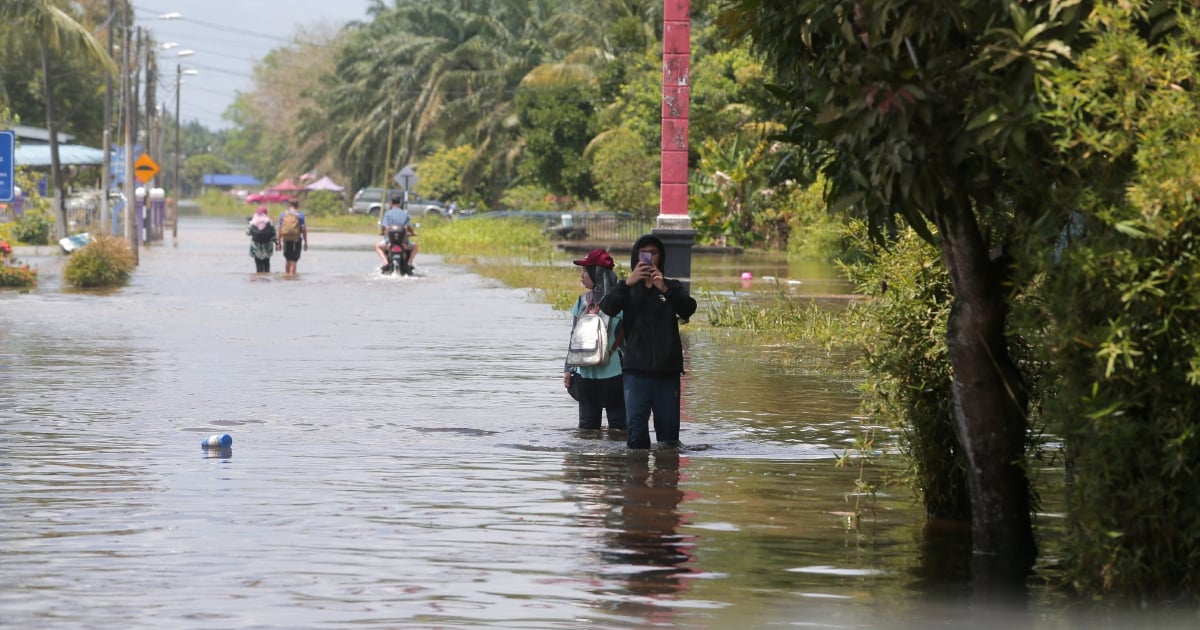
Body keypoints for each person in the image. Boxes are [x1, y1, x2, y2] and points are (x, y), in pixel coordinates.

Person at [599, 235, 697, 449]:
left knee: (669, 439)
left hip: (667, 373)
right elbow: (607, 307)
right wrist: (626, 283)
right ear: (636, 257)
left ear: (661, 256)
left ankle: (666, 477)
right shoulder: (628, 288)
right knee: (636, 437)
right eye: (645, 253)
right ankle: (636, 480)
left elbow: (688, 309)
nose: (649, 258)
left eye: (654, 253)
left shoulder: (672, 286)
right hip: (636, 372)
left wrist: (665, 289)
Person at [563, 249, 626, 432]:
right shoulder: (582, 301)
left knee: (619, 429)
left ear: (596, 273)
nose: (582, 277)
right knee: (587, 429)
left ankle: (615, 461)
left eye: (585, 271)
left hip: (616, 374)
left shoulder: (621, 300)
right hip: (585, 373)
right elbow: (574, 336)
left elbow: (629, 339)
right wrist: (568, 369)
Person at [376, 194, 418, 271]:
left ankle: (385, 262)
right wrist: (413, 233)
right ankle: (409, 263)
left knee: (378, 246)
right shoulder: (405, 213)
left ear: (391, 203)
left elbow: (385, 227)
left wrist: (382, 232)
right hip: (403, 242)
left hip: (389, 242)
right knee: (415, 246)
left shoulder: (387, 214)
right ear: (400, 203)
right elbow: (407, 227)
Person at [276, 200, 308, 275]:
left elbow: (280, 229)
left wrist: (279, 242)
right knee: (293, 260)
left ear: (289, 205)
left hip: (285, 239)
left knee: (287, 259)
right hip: (296, 240)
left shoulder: (283, 214)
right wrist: (306, 242)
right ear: (297, 205)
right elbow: (303, 229)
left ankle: (287, 276)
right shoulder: (300, 215)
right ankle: (291, 277)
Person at [246, 206, 276, 273]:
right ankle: (266, 279)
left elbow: (247, 233)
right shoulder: (269, 221)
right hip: (267, 247)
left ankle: (259, 278)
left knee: (258, 264)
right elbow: (274, 234)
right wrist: (277, 243)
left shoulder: (253, 221)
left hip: (256, 247)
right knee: (267, 263)